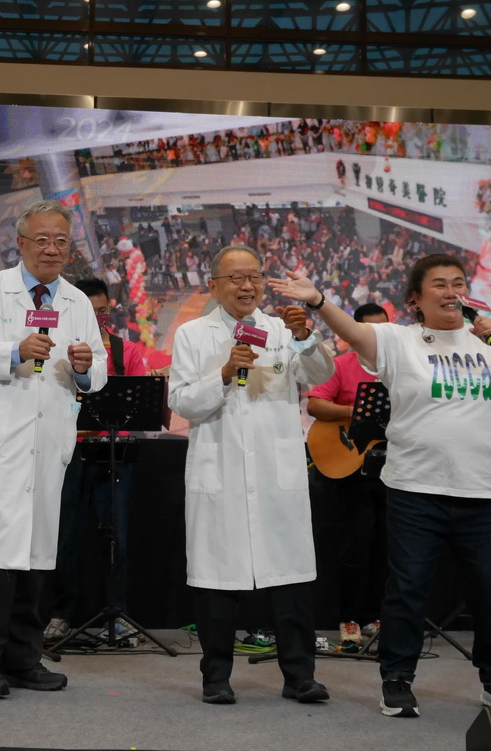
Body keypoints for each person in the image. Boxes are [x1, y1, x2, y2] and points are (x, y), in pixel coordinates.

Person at [269, 253, 491, 717]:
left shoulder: (489, 342)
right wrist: (318, 300)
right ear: (415, 299)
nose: (452, 291)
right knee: (408, 587)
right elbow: (354, 332)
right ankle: (396, 678)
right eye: (440, 284)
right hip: (416, 487)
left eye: (458, 283)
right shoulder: (400, 340)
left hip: (482, 489)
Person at [0, 199, 107, 699]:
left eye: (61, 241)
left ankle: (22, 658)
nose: (52, 249)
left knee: (36, 556)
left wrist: (84, 368)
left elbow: (98, 371)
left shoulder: (77, 302)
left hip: (48, 444)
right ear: (20, 243)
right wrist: (12, 351)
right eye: (42, 239)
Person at [167, 244, 335, 705]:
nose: (247, 286)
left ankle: (300, 677)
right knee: (218, 582)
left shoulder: (282, 329)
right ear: (214, 285)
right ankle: (216, 678)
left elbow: (321, 372)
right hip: (219, 472)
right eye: (236, 278)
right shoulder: (193, 334)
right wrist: (224, 373)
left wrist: (305, 337)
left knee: (290, 581)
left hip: (276, 475)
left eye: (254, 277)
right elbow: (181, 401)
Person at [43, 277, 147, 643]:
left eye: (103, 311)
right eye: (91, 311)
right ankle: (60, 614)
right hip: (67, 453)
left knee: (117, 538)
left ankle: (117, 614)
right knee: (64, 538)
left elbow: (140, 405)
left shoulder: (126, 352)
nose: (98, 318)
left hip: (114, 454)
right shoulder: (54, 352)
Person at [306, 304, 389, 647]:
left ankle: (376, 615)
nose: (376, 338)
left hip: (396, 469)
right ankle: (351, 617)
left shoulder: (402, 367)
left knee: (388, 545)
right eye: (368, 331)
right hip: (355, 471)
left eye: (383, 331)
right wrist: (354, 411)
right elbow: (315, 404)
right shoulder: (341, 365)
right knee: (360, 542)